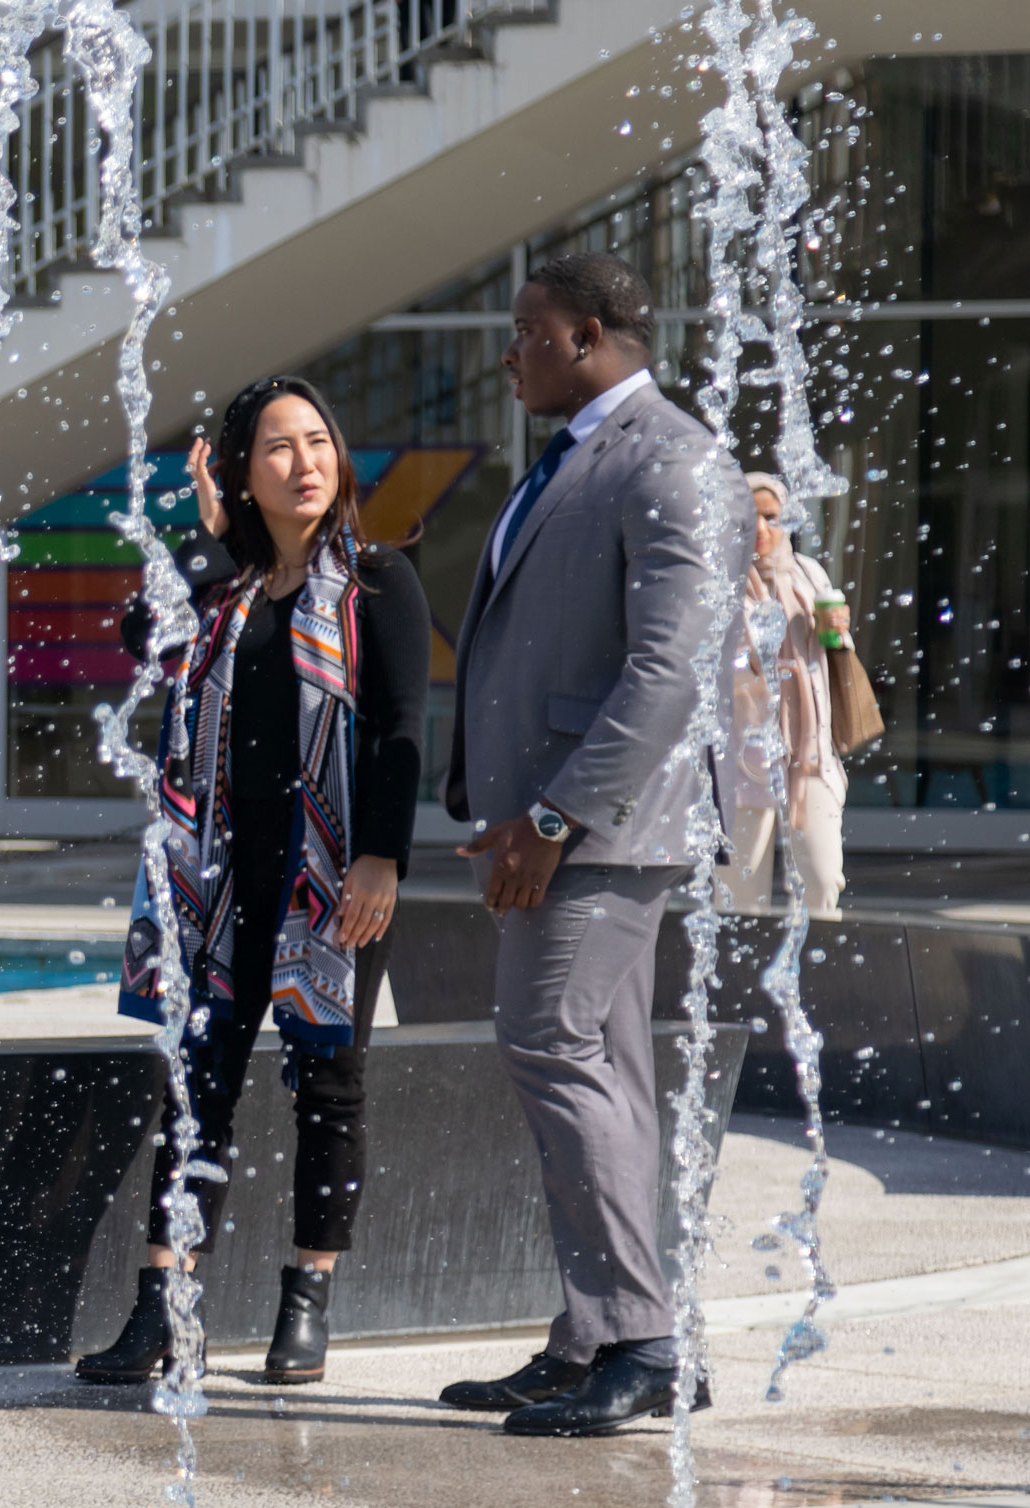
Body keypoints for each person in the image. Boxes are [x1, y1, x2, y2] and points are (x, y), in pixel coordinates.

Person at [73, 376, 431, 1390]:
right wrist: (205, 533)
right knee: (197, 1082)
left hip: (337, 872)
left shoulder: (378, 579)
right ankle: (162, 1307)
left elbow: (402, 728)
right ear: (243, 470)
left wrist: (382, 855)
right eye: (277, 447)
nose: (305, 461)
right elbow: (141, 640)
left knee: (328, 1080)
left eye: (318, 439)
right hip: (217, 880)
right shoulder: (222, 591)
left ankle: (306, 1299)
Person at [439, 253, 743, 1436]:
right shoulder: (574, 457)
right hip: (558, 825)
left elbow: (670, 672)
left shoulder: (675, 460)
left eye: (530, 330)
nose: (511, 352)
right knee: (599, 1068)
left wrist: (557, 815)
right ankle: (595, 1334)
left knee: (553, 1045)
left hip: (601, 831)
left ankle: (645, 1341)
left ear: (592, 335)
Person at [717, 472, 849, 920]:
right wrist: (754, 654)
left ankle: (823, 987)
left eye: (771, 517)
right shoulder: (716, 583)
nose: (760, 529)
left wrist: (839, 636)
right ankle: (740, 991)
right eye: (747, 517)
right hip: (744, 760)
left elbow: (826, 663)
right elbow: (710, 672)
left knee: (823, 882)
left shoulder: (809, 574)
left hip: (809, 754)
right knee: (738, 897)